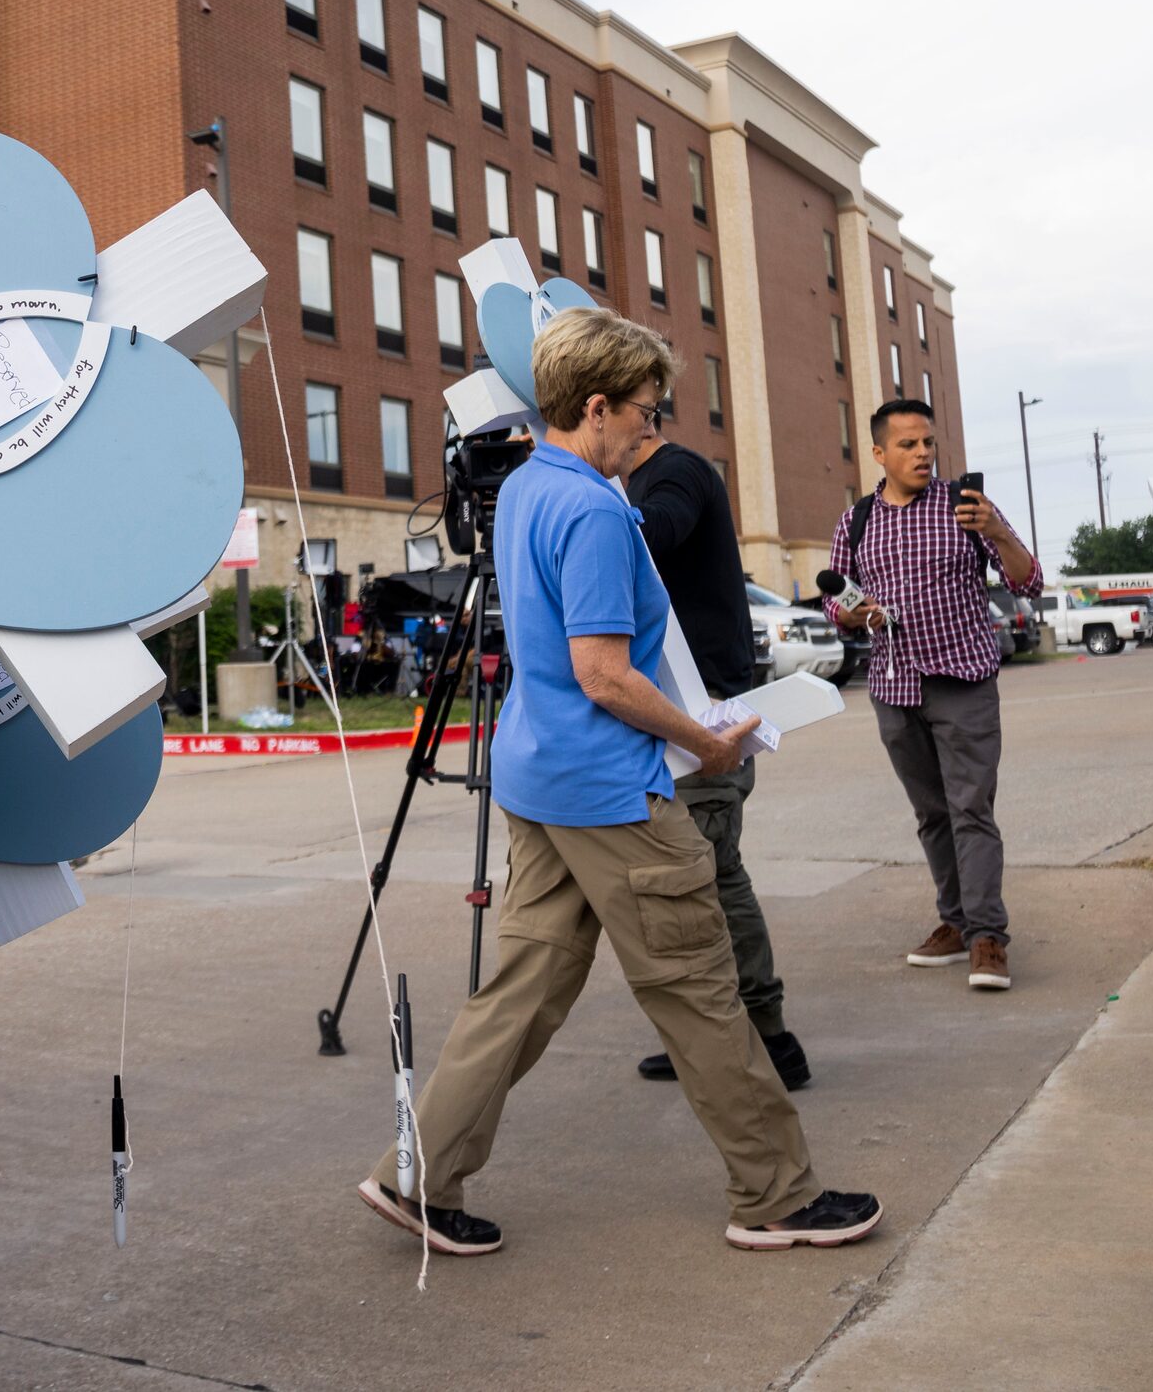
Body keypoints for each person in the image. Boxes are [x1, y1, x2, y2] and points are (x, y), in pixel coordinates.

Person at [357, 307, 880, 1257]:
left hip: (537, 775)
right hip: (611, 788)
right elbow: (603, 671)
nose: (656, 426)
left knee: (518, 990)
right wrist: (706, 741)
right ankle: (774, 1195)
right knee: (699, 989)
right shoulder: (596, 508)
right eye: (647, 408)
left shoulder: (522, 488)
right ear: (595, 406)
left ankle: (417, 1174)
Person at [821, 398, 1043, 993]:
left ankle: (988, 937)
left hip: (962, 681)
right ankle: (954, 922)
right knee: (931, 814)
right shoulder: (858, 520)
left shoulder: (964, 508)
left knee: (971, 808)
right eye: (908, 445)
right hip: (893, 686)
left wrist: (996, 529)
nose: (923, 454)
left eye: (928, 443)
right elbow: (835, 597)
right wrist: (855, 612)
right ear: (879, 453)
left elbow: (1029, 579)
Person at [623, 405, 810, 1091]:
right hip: (671, 711)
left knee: (711, 874)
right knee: (686, 880)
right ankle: (705, 1035)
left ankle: (770, 1039)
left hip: (703, 716)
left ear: (640, 415)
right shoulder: (639, 481)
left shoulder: (677, 473)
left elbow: (655, 531)